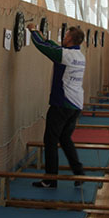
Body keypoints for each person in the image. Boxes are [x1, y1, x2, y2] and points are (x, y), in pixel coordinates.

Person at [28, 24, 86, 188]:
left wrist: (33, 31)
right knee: (65, 139)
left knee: (50, 140)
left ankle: (50, 179)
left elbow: (42, 47)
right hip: (75, 104)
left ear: (69, 39)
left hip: (62, 104)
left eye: (66, 35)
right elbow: (53, 46)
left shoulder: (65, 55)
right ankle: (79, 173)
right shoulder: (79, 55)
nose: (64, 36)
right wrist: (42, 35)